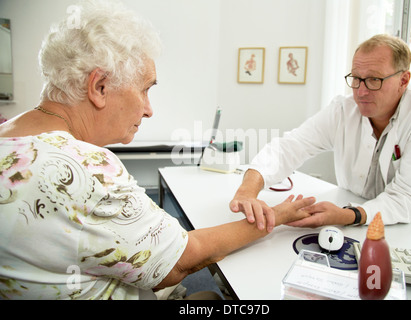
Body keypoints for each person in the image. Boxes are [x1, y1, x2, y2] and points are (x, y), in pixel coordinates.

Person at [0, 0, 315, 300]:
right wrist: (279, 214)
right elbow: (180, 263)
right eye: (145, 89)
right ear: (99, 87)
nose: (149, 110)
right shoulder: (87, 169)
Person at [230, 34, 411, 232]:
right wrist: (248, 189)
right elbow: (291, 146)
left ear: (403, 80)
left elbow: (409, 196)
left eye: (374, 80)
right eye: (356, 78)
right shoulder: (343, 110)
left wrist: (348, 215)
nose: (361, 91)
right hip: (352, 220)